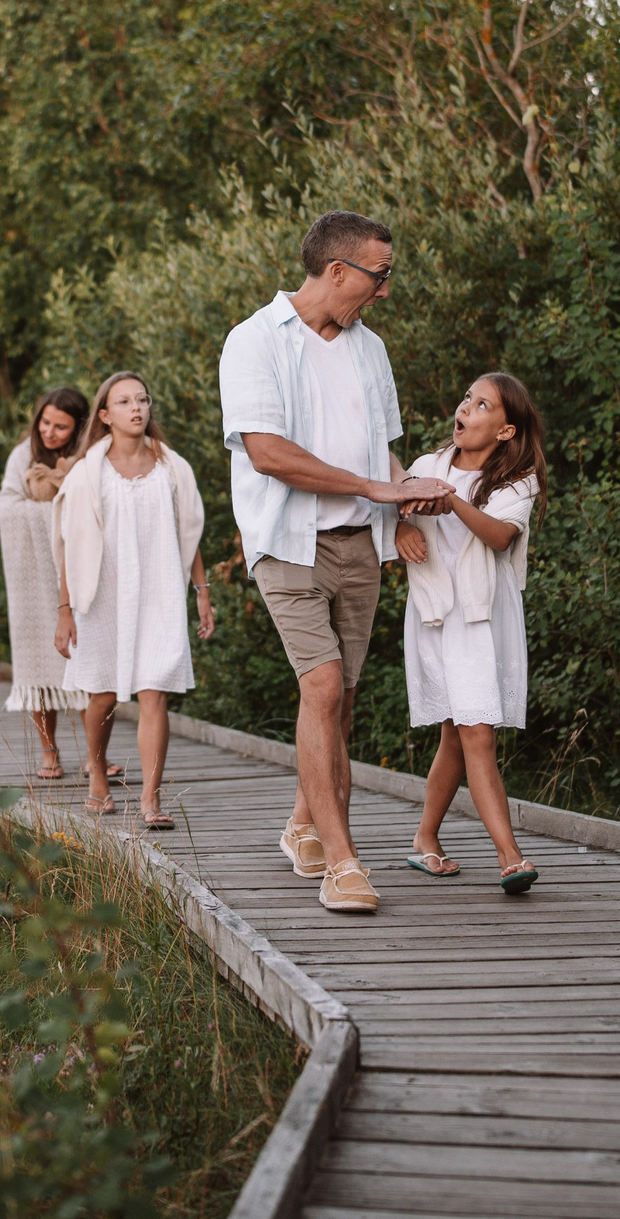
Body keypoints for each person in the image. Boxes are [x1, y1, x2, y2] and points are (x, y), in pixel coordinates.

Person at [219, 210, 452, 914]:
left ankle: (301, 823)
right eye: (380, 276)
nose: (384, 291)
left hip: (360, 544)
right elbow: (268, 452)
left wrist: (406, 494)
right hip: (288, 544)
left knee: (341, 698)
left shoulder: (368, 348)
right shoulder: (254, 340)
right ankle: (343, 863)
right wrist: (374, 486)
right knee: (321, 687)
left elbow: (380, 448)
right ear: (338, 271)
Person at [396, 372, 547, 893]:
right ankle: (510, 856)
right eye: (466, 398)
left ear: (505, 430)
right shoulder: (424, 469)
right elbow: (384, 506)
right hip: (437, 617)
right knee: (470, 732)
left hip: (483, 619)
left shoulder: (516, 480)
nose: (466, 408)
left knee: (462, 736)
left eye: (482, 404)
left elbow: (501, 537)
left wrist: (451, 501)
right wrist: (401, 527)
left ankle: (424, 840)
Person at [52, 371, 213, 829]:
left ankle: (151, 799)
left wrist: (202, 593)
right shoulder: (87, 473)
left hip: (160, 593)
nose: (136, 408)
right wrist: (64, 612)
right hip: (101, 595)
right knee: (101, 697)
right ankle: (98, 775)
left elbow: (190, 534)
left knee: (154, 693)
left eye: (142, 399)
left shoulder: (172, 467)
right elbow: (69, 544)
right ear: (104, 415)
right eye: (123, 401)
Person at [0, 385, 94, 779]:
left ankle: (96, 758)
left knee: (90, 659)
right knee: (38, 656)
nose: (49, 433)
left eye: (60, 427)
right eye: (45, 423)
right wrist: (51, 509)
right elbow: (7, 506)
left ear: (77, 429)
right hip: (34, 578)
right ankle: (49, 752)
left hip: (81, 570)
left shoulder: (87, 458)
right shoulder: (22, 455)